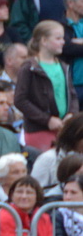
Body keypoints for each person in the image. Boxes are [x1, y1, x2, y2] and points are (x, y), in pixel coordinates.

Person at [14, 20, 75, 152]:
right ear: (44, 41)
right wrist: (47, 120)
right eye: (58, 38)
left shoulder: (63, 66)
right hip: (39, 131)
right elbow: (20, 100)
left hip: (63, 129)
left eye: (63, 38)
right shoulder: (29, 67)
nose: (63, 42)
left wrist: (71, 114)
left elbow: (72, 95)